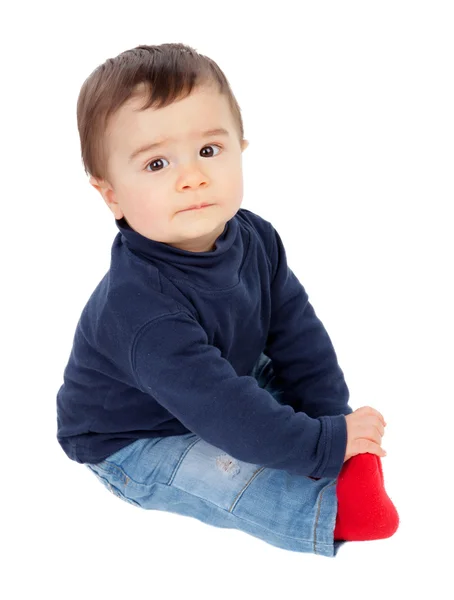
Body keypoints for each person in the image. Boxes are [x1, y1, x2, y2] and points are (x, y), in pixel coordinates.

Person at [56, 42, 399, 557]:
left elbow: (297, 334)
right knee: (225, 472)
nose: (191, 176)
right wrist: (323, 444)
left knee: (280, 377)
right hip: (135, 436)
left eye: (209, 151)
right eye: (156, 164)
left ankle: (326, 454)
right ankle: (333, 515)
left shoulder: (255, 236)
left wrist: (333, 419)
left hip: (213, 376)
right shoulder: (142, 310)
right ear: (111, 195)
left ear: (241, 147)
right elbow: (227, 414)